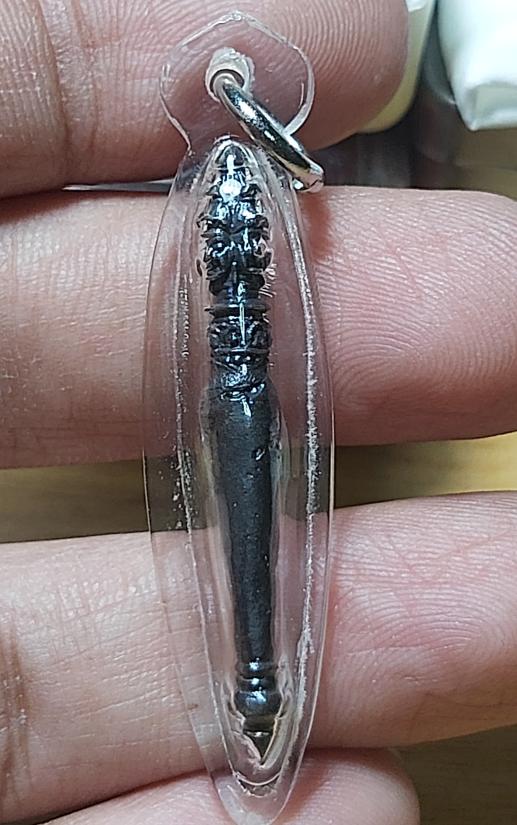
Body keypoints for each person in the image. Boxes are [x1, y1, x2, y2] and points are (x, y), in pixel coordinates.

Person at [1, 1, 516, 823]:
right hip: (233, 390)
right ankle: (254, 681)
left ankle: (255, 682)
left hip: (243, 389)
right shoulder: (229, 214)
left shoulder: (236, 212)